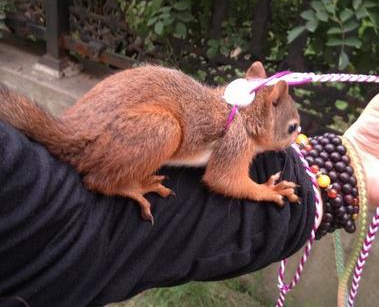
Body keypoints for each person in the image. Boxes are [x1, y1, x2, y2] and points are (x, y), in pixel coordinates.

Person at [0, 92, 378, 307]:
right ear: (266, 117)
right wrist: (265, 191)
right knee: (164, 130)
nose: (295, 140)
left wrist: (349, 165)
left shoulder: (234, 117)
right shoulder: (239, 135)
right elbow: (221, 179)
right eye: (292, 131)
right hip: (109, 151)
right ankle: (111, 181)